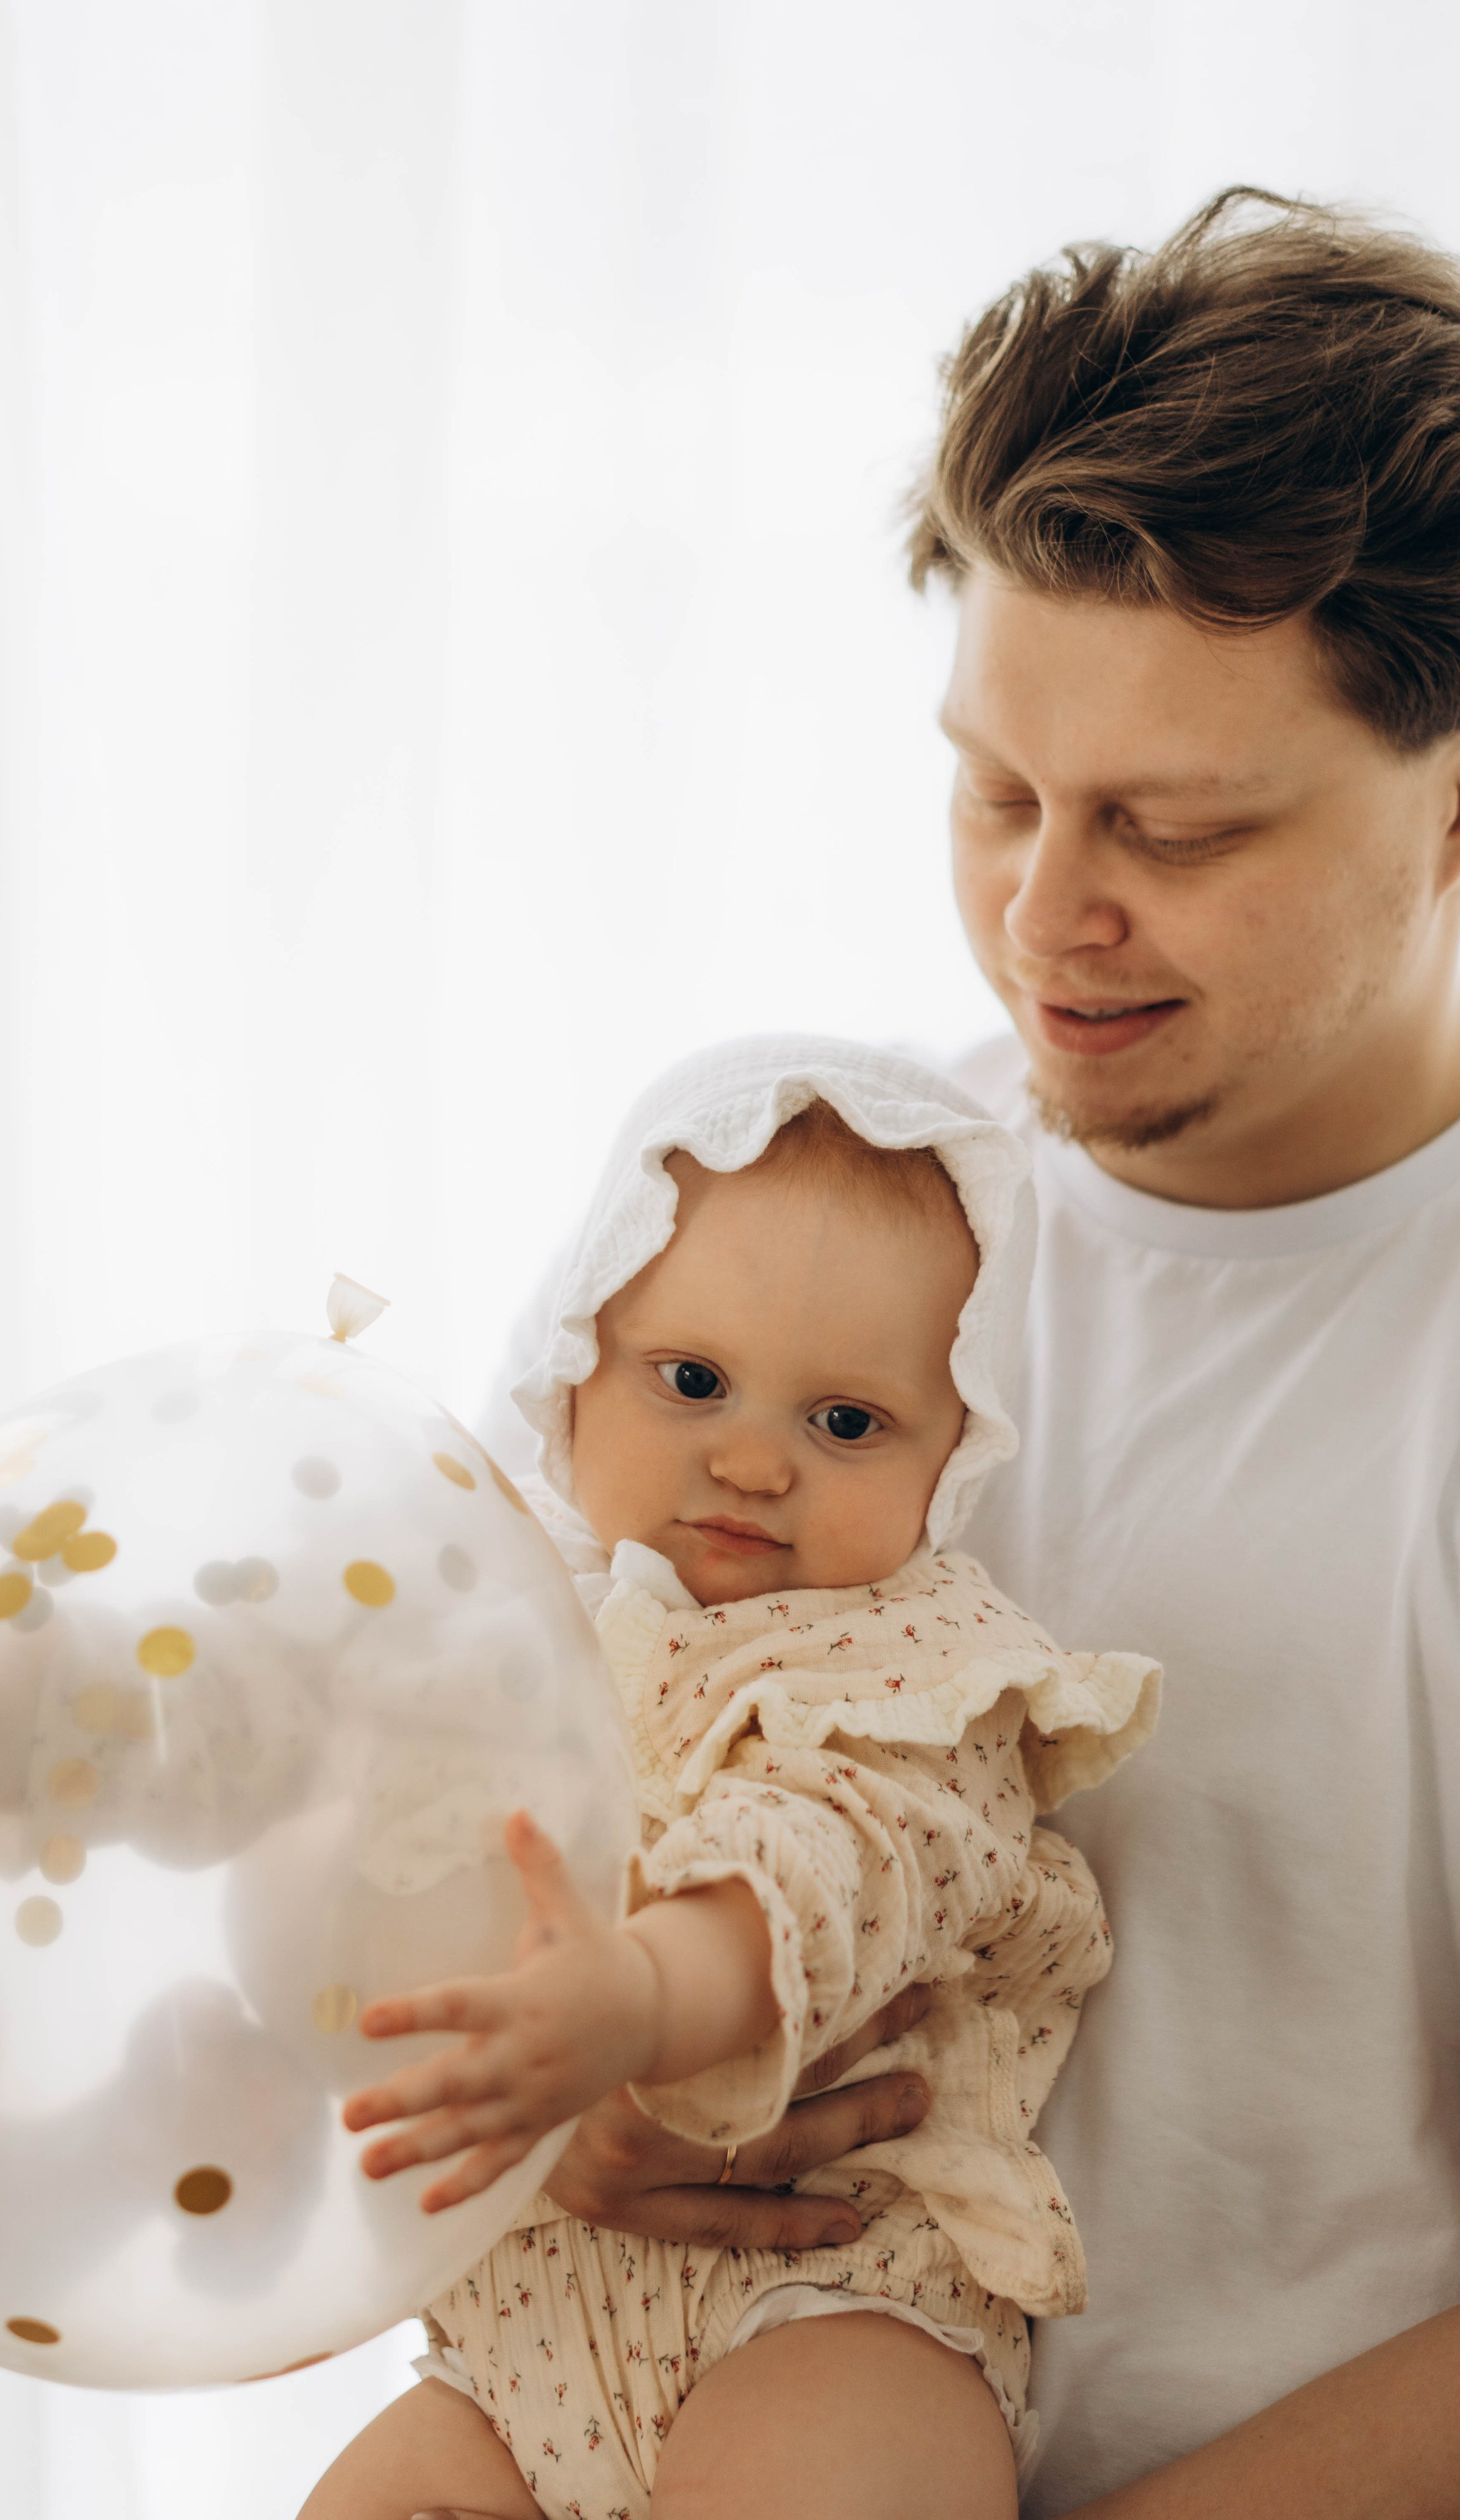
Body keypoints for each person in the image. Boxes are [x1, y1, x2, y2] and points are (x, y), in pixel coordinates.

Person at [466, 188, 1460, 2520]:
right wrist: (590, 2085)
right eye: (997, 791)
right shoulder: (817, 1249)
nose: (1041, 919)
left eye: (1174, 829)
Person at [303, 1040, 1159, 2520]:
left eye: (843, 1423)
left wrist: (637, 1997)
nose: (754, 1464)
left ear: (950, 1456)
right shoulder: (497, 1630)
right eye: (691, 1382)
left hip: (825, 2307)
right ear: (572, 1369)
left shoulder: (909, 1669)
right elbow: (328, 1836)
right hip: (511, 2359)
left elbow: (831, 1867)